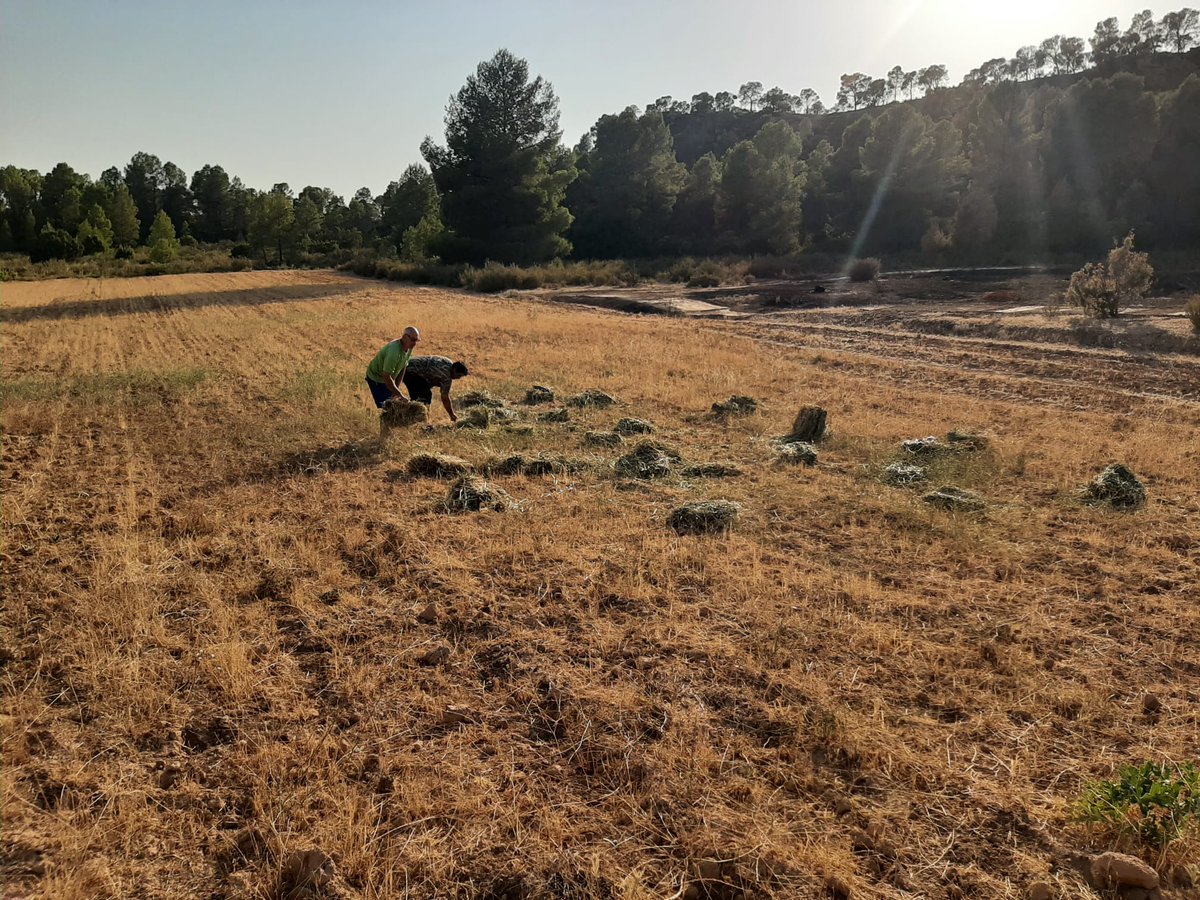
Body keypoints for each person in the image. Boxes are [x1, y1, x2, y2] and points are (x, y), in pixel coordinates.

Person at [365, 326, 420, 409]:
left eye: (416, 340)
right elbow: (386, 376)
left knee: (394, 403)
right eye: (413, 340)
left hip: (388, 378)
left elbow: (403, 367)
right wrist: (400, 395)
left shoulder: (409, 347)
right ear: (405, 337)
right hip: (377, 378)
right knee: (387, 408)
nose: (414, 343)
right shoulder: (394, 352)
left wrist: (396, 389)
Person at [403, 356, 470, 422]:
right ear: (454, 370)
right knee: (424, 397)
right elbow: (445, 398)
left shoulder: (448, 361)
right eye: (458, 375)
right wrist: (451, 414)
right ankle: (420, 421)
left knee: (420, 397)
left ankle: (414, 419)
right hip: (411, 372)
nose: (458, 378)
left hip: (405, 365)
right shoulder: (446, 376)